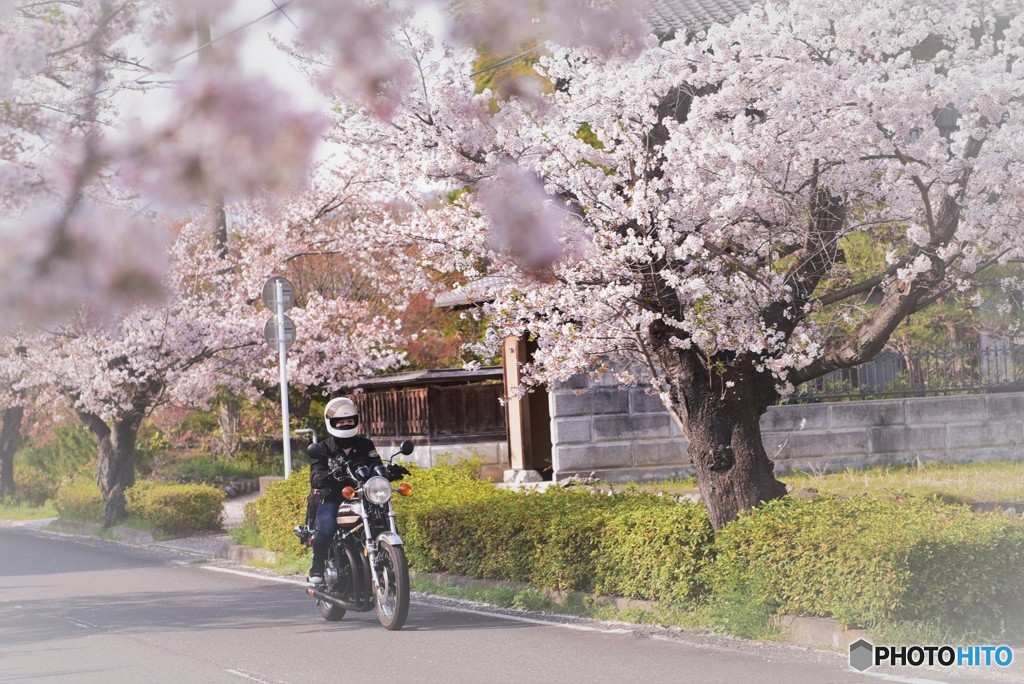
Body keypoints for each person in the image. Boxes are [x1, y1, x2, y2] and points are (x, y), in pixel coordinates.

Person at [305, 396, 385, 585]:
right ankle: (317, 567)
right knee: (326, 528)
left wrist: (388, 471)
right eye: (341, 421)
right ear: (332, 423)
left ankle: (390, 561)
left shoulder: (365, 445)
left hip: (362, 497)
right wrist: (325, 476)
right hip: (332, 499)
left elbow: (375, 464)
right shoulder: (323, 448)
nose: (345, 424)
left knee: (382, 519)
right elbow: (315, 475)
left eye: (349, 420)